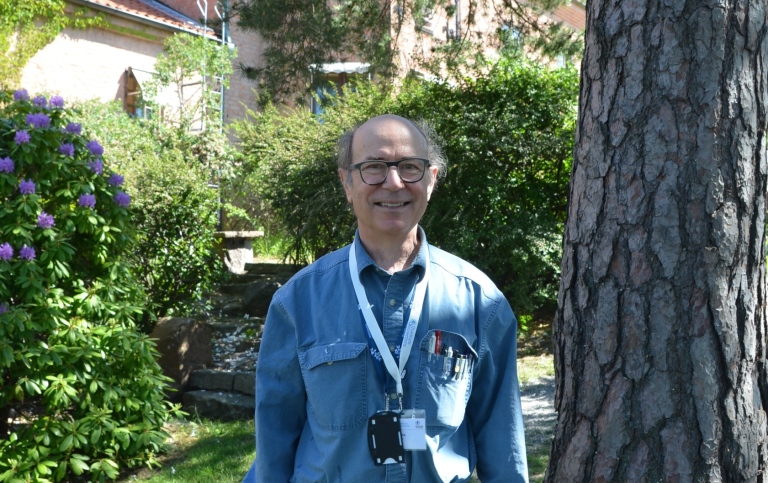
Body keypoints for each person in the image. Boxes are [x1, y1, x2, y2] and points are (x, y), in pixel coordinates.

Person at [242, 115, 528, 482]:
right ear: (347, 182)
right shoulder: (296, 304)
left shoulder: (481, 303)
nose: (394, 183)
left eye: (410, 167)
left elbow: (503, 447)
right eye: (374, 167)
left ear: (432, 179)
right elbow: (274, 444)